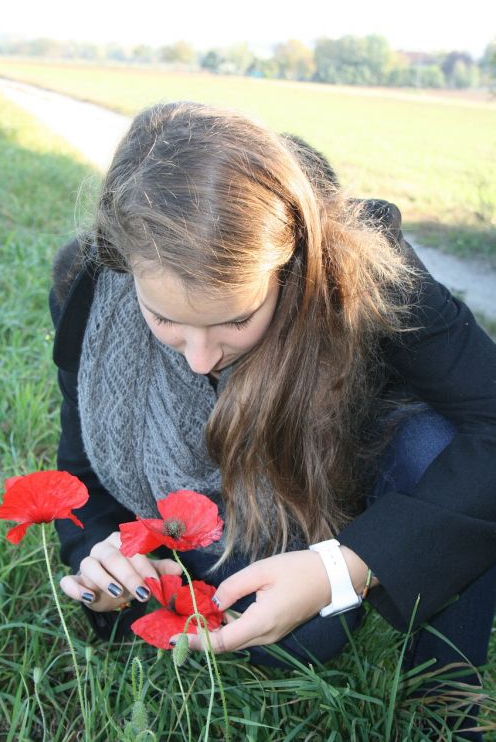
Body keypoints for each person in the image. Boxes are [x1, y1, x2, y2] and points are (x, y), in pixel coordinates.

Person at [49, 101, 496, 740]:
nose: (201, 354)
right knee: (306, 638)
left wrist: (346, 567)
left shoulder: (365, 264)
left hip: (342, 476)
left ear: (283, 267)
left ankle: (445, 703)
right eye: (167, 318)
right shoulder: (90, 289)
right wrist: (103, 551)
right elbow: (83, 468)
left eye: (235, 319)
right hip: (221, 508)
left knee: (436, 445)